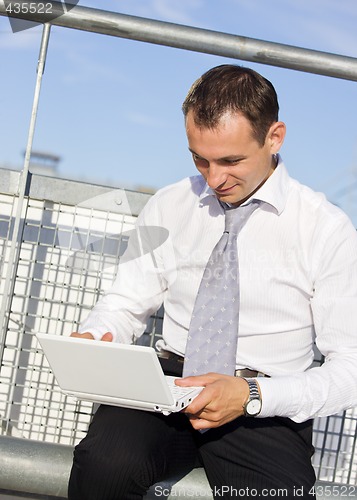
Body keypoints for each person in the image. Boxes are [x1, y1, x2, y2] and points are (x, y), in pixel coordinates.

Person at [68, 65, 357, 500]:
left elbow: (350, 370)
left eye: (230, 160)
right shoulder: (170, 205)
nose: (214, 178)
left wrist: (252, 395)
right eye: (199, 158)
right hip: (167, 384)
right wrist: (98, 333)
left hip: (264, 402)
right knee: (104, 465)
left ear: (274, 137)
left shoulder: (327, 230)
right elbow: (125, 302)